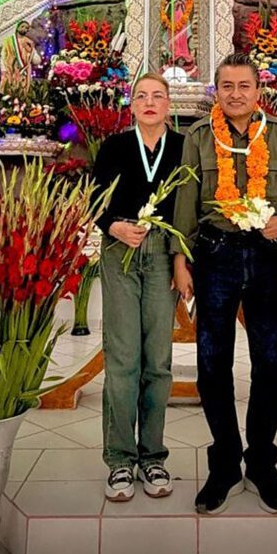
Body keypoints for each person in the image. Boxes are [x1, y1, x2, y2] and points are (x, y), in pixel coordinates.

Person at [172, 52, 277, 515]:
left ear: (258, 91)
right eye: (227, 86)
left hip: (266, 255)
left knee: (270, 363)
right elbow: (186, 200)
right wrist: (181, 260)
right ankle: (225, 463)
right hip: (215, 255)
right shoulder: (198, 137)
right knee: (213, 364)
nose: (235, 94)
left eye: (243, 86)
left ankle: (263, 463)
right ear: (217, 91)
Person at [92, 73, 185, 502]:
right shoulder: (114, 147)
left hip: (164, 255)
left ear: (169, 105)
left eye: (158, 96)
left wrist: (181, 261)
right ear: (131, 105)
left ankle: (153, 456)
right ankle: (119, 459)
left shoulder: (183, 147)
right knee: (123, 357)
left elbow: (190, 206)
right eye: (142, 96)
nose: (150, 102)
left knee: (158, 361)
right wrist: (113, 225)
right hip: (120, 253)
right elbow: (95, 199)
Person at [0, 19, 39, 93]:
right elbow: (3, 56)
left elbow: (36, 59)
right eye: (22, 26)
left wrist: (33, 55)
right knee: (9, 91)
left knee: (23, 92)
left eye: (26, 28)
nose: (24, 29)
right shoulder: (8, 41)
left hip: (24, 72)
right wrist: (3, 69)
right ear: (17, 27)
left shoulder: (29, 42)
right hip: (10, 70)